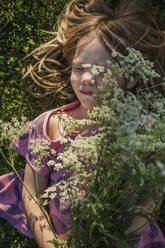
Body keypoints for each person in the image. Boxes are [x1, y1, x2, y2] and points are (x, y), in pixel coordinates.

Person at [0, 0, 165, 247]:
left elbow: (152, 192)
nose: (87, 78)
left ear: (130, 78)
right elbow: (32, 195)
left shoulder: (143, 131)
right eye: (79, 68)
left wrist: (125, 237)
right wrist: (49, 243)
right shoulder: (49, 127)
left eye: (101, 71)